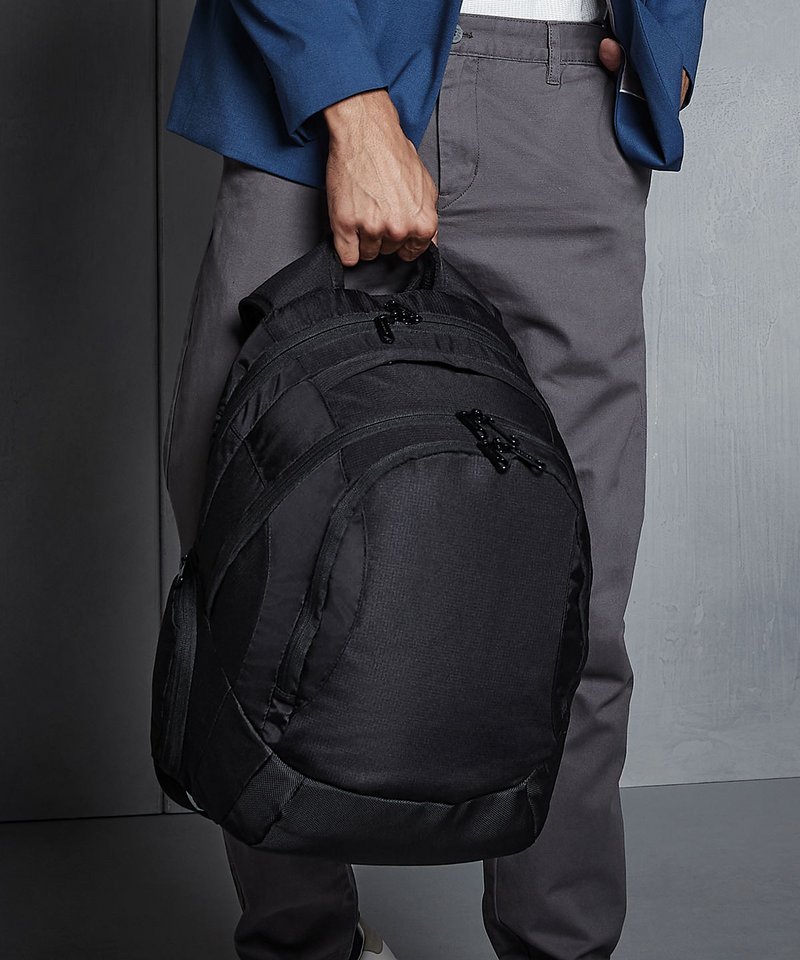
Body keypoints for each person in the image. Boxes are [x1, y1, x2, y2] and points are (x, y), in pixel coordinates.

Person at [161, 1, 707, 958]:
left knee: (577, 605)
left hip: (568, 103)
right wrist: (349, 101)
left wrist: (672, 42)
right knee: (251, 570)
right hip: (320, 81)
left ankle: (560, 949)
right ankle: (304, 944)